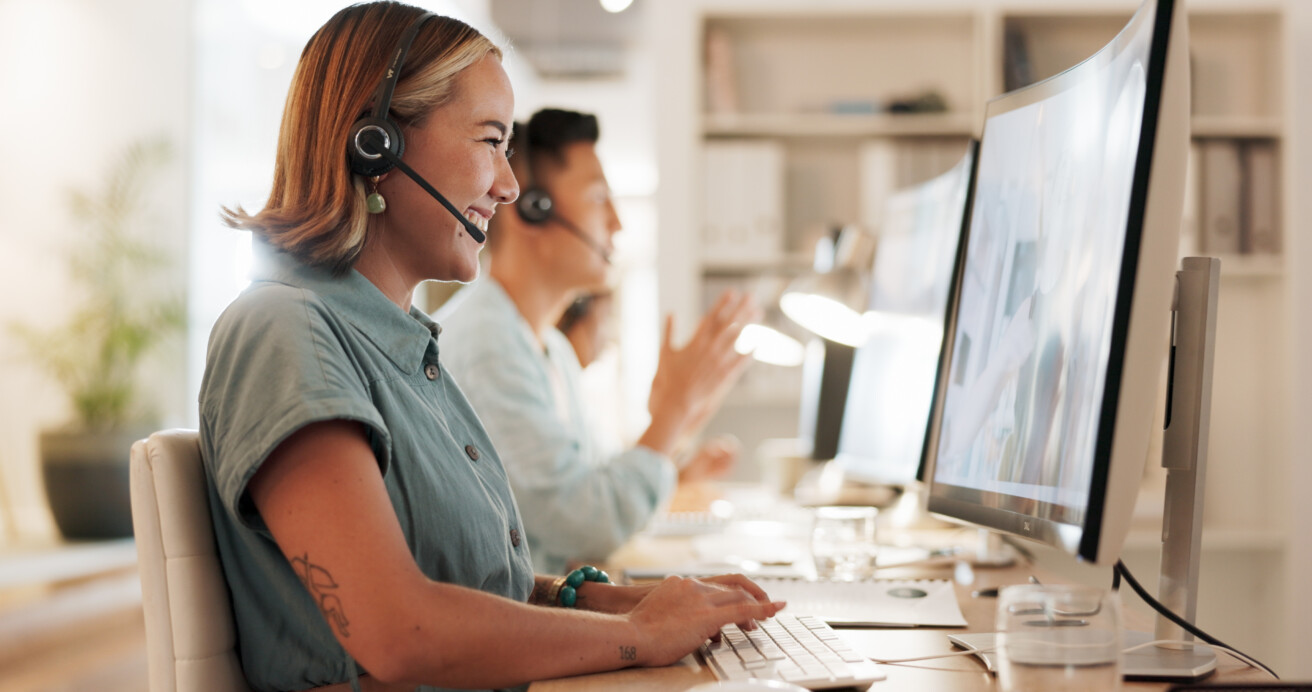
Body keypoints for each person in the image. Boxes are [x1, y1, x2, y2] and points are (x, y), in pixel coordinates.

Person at [200, 5, 782, 691]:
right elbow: (401, 632)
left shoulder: (400, 346)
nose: (509, 186)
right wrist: (637, 636)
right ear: (376, 144)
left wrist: (610, 601)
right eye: (490, 141)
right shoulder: (283, 332)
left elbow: (464, 582)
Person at [438, 108, 758, 573]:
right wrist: (672, 415)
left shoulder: (549, 348)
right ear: (533, 209)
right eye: (598, 198)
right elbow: (588, 521)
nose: (617, 223)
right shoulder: (489, 346)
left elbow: (592, 484)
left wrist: (678, 428)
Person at [556, 291, 741, 485]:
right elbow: (609, 497)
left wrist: (683, 473)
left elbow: (613, 483)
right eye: (605, 320)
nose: (609, 338)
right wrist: (675, 409)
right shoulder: (555, 391)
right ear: (573, 318)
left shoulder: (574, 395)